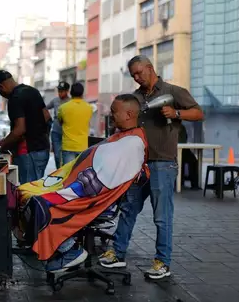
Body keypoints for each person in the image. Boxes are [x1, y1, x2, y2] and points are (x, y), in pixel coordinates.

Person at [14, 94, 148, 273]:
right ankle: (46, 243)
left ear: (129, 114)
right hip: (71, 181)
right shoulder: (122, 136)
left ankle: (70, 250)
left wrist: (68, 188)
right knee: (22, 191)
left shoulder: (133, 143)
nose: (110, 114)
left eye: (114, 111)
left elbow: (102, 178)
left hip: (89, 194)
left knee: (43, 203)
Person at [100, 55, 204, 280]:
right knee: (128, 209)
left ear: (150, 68)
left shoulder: (172, 92)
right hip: (138, 164)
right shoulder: (135, 98)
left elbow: (198, 112)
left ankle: (162, 262)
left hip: (163, 164)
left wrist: (176, 113)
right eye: (133, 75)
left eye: (139, 73)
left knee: (162, 216)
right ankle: (117, 253)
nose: (137, 78)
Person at [0, 70, 52, 183]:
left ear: (1, 86)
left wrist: (2, 145)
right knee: (38, 188)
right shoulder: (33, 91)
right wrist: (41, 135)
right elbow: (47, 117)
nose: (1, 94)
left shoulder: (15, 98)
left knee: (28, 192)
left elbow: (19, 130)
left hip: (28, 153)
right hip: (43, 150)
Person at [58, 82, 93, 165]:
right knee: (80, 174)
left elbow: (60, 122)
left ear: (70, 93)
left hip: (68, 146)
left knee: (68, 174)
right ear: (82, 93)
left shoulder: (63, 108)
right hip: (83, 146)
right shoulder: (89, 107)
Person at [47, 81, 70, 168]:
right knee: (57, 156)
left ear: (67, 91)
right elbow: (45, 108)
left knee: (66, 156)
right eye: (59, 91)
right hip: (56, 132)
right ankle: (58, 172)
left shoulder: (70, 102)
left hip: (67, 133)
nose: (60, 93)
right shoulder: (55, 100)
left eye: (62, 91)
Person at [179, 123, 199, 190]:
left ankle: (194, 184)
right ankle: (194, 184)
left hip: (183, 149)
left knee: (193, 160)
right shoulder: (170, 127)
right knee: (181, 161)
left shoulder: (181, 127)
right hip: (173, 150)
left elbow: (183, 140)